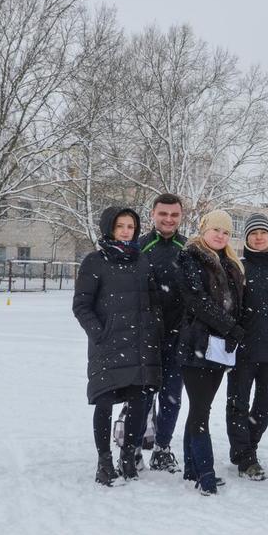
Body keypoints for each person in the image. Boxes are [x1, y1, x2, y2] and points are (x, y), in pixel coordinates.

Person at [73, 206, 162, 486]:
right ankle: (103, 461)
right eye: (120, 226)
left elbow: (153, 300)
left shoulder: (143, 261)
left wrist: (153, 327)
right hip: (108, 346)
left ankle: (127, 456)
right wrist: (101, 334)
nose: (126, 231)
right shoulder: (94, 262)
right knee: (104, 402)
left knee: (138, 402)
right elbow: (82, 305)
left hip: (138, 345)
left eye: (131, 227)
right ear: (109, 228)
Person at [175, 209, 245, 495]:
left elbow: (235, 304)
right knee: (200, 410)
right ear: (204, 230)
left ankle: (191, 467)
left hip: (220, 349)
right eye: (216, 229)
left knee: (200, 408)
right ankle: (205, 473)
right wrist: (231, 327)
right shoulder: (190, 258)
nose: (220, 235)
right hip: (197, 345)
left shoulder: (230, 264)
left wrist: (232, 331)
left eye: (226, 232)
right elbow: (197, 302)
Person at [225, 213, 268, 481]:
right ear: (247, 238)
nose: (258, 237)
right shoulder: (235, 267)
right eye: (253, 233)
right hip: (242, 349)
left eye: (263, 233)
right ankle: (246, 456)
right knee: (238, 403)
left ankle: (246, 447)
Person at [136, 193, 186, 473]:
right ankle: (134, 445)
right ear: (153, 214)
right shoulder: (140, 247)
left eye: (174, 215)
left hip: (178, 337)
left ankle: (162, 448)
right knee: (142, 395)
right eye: (163, 214)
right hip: (145, 336)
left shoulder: (189, 248)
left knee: (171, 397)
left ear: (181, 216)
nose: (169, 219)